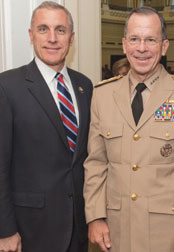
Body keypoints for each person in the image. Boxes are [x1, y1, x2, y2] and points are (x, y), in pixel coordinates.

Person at [84, 6, 174, 252]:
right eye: (134, 39)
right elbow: (96, 163)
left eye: (151, 40)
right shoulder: (102, 95)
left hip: (168, 231)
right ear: (124, 44)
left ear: (164, 46)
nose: (141, 48)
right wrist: (95, 216)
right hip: (116, 230)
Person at [0, 2, 93, 252]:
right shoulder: (7, 87)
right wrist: (5, 230)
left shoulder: (85, 86)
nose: (52, 38)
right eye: (43, 29)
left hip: (79, 227)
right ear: (31, 35)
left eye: (60, 30)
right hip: (30, 230)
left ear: (71, 38)